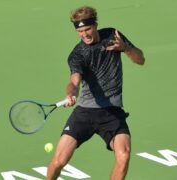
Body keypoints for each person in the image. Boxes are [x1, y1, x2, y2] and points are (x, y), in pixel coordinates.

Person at [47, 6, 145, 180]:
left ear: (95, 25)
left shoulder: (113, 36)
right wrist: (71, 93)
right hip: (85, 112)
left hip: (112, 112)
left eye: (87, 29)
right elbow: (74, 81)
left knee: (124, 155)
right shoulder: (77, 55)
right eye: (79, 31)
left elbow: (140, 59)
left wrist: (125, 48)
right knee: (59, 161)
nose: (84, 34)